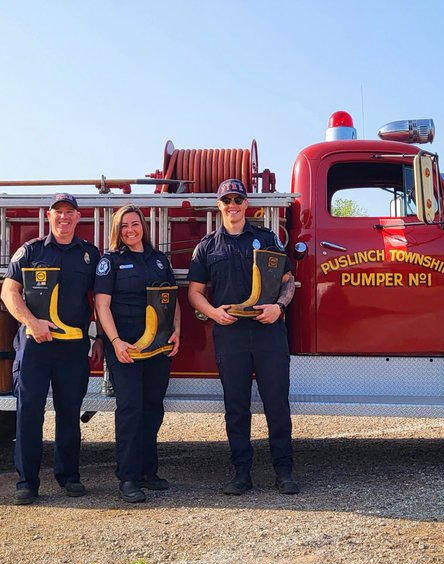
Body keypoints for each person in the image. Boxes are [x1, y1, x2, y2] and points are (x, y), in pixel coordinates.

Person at [187, 178, 299, 495]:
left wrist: (279, 307)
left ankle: (284, 472)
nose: (233, 206)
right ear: (219, 206)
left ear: (246, 205)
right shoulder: (207, 247)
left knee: (276, 403)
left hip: (268, 333)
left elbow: (288, 280)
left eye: (238, 200)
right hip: (230, 334)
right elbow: (195, 293)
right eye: (227, 201)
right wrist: (213, 313)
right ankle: (241, 474)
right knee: (236, 407)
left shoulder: (266, 239)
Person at [0, 192, 99, 506]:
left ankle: (68, 476)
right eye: (59, 212)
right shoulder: (30, 251)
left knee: (69, 413)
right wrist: (32, 322)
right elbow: (8, 291)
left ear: (78, 218)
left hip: (73, 347)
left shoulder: (90, 255)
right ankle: (27, 482)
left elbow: (98, 301)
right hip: (36, 346)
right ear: (48, 216)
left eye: (70, 212)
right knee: (29, 412)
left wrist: (96, 338)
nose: (64, 217)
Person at [94, 205, 181, 503]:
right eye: (124, 226)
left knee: (152, 407)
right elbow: (102, 305)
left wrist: (176, 331)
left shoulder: (158, 260)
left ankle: (147, 471)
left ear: (144, 226)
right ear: (117, 231)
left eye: (135, 224)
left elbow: (173, 300)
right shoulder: (110, 262)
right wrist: (115, 341)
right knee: (130, 409)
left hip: (157, 347)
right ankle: (128, 478)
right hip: (126, 348)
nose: (130, 230)